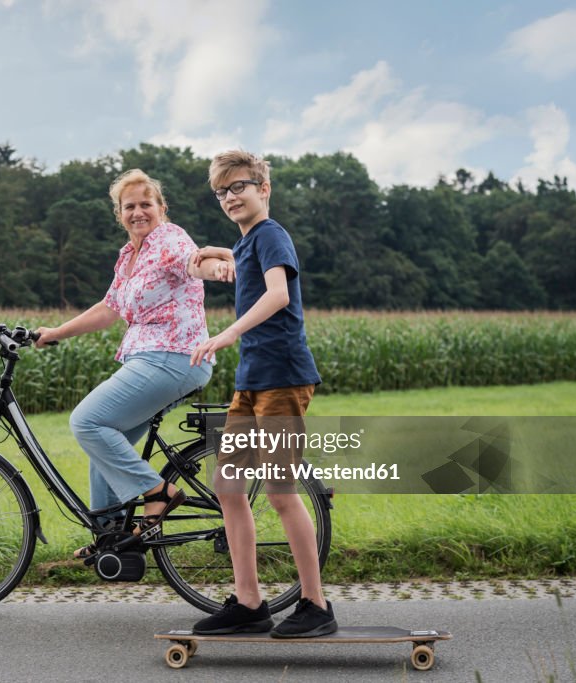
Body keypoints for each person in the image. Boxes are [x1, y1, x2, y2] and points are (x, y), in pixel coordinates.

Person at [36, 169, 233, 558]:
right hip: (153, 360)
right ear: (119, 214)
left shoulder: (168, 238)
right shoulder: (128, 257)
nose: (138, 212)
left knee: (87, 422)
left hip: (173, 357)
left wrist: (217, 266)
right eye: (130, 206)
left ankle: (158, 491)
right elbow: (109, 309)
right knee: (107, 448)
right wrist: (56, 332)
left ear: (161, 208)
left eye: (147, 204)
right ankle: (114, 543)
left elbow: (194, 263)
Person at [189, 150, 336, 638]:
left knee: (279, 492)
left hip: (282, 378)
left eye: (240, 187)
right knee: (227, 486)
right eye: (222, 191)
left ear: (263, 189)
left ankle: (316, 605)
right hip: (251, 383)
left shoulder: (272, 235)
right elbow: (240, 261)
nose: (231, 197)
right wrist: (215, 252)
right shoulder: (250, 242)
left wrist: (227, 333)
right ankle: (250, 602)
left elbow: (278, 295)